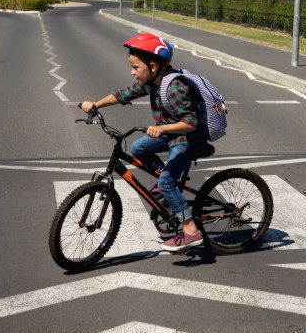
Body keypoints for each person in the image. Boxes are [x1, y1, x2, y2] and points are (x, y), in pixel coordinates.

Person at [79, 32, 209, 252]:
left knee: (167, 183)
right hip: (173, 135)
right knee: (139, 148)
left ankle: (191, 231)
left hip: (188, 138)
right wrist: (95, 105)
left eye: (135, 67)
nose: (132, 72)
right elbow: (124, 94)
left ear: (153, 66)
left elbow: (192, 122)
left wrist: (162, 128)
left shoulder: (175, 87)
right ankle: (167, 177)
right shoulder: (152, 83)